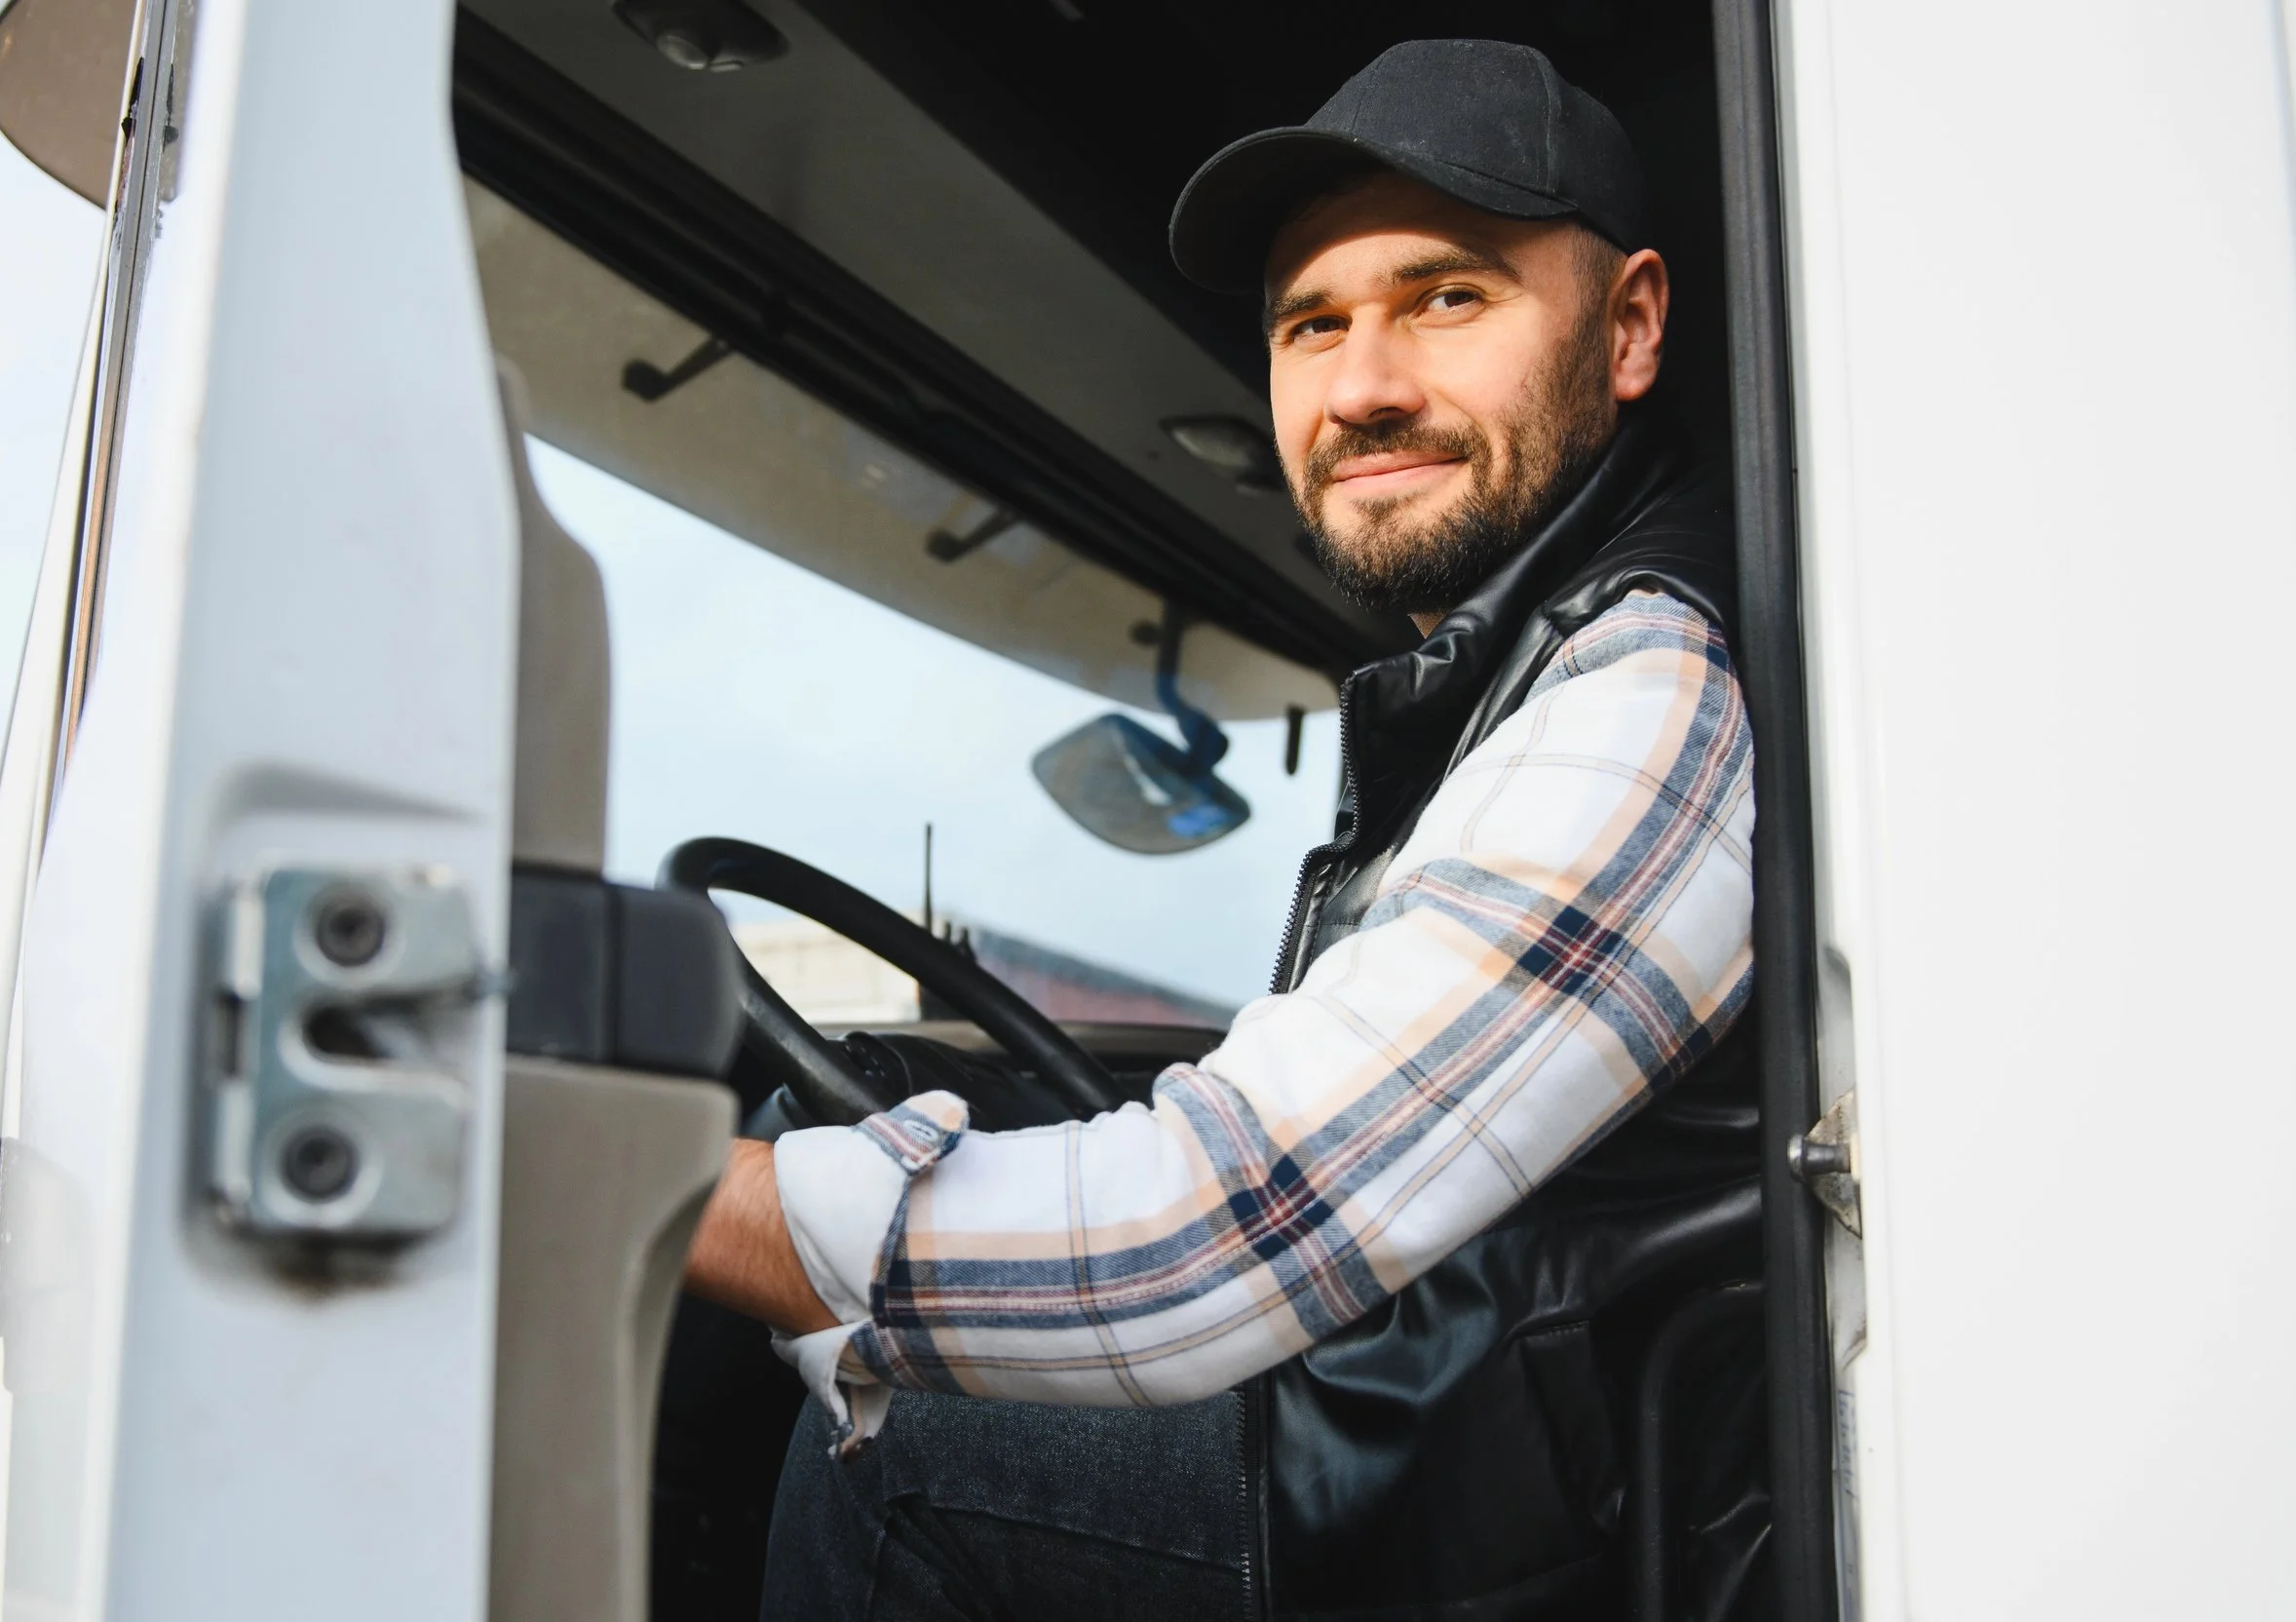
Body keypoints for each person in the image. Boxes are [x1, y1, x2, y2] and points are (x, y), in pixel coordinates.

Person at [689, 38, 1769, 1620]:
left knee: (905, 1456)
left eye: (1447, 297)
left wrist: (644, 1185)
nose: (1363, 384)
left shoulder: (1645, 690)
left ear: (1630, 328)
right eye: (1310, 324)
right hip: (1461, 1446)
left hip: (1493, 1534)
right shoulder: (1516, 686)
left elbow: (1204, 1240)